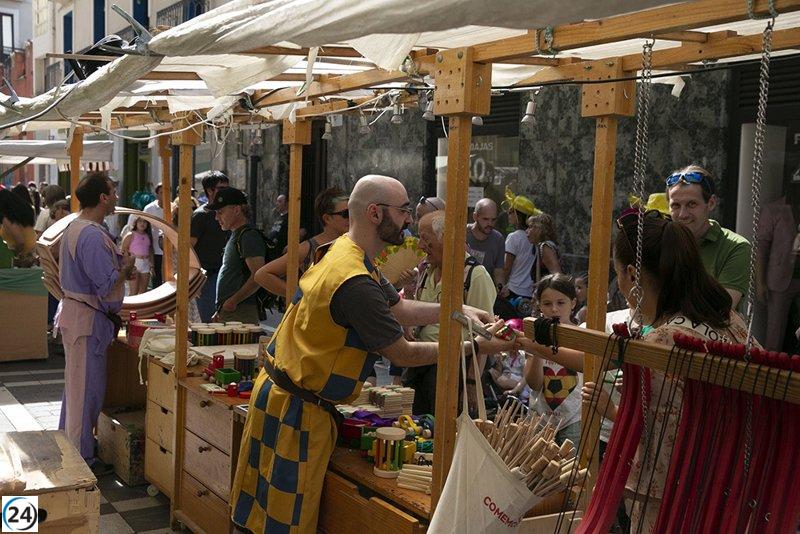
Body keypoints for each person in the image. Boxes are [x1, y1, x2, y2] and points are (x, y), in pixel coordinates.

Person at [230, 175, 514, 533]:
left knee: (262, 510)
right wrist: (474, 347)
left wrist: (459, 310)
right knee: (282, 524)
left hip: (280, 396)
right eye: (405, 211)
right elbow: (403, 353)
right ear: (376, 213)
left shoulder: (345, 252)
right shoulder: (355, 280)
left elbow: (398, 307)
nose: (411, 220)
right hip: (297, 413)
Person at [534, 210, 752, 531]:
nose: (618, 285)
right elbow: (603, 356)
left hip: (675, 498)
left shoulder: (664, 339)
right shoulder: (728, 319)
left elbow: (665, 423)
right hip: (727, 487)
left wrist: (613, 410)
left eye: (617, 273)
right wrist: (530, 342)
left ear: (633, 274)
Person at [55, 173, 135, 467]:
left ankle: (72, 448)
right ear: (102, 197)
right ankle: (79, 458)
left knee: (77, 389)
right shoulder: (89, 234)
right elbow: (105, 285)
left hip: (83, 319)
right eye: (113, 192)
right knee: (84, 394)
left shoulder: (80, 228)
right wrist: (126, 268)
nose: (116, 197)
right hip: (86, 322)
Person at [403, 210, 497, 416]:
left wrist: (472, 383)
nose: (419, 245)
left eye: (425, 239)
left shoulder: (475, 275)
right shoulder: (427, 270)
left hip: (453, 370)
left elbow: (486, 335)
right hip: (420, 364)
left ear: (447, 238)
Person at [666, 164, 750, 307]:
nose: (682, 214)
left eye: (691, 204)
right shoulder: (662, 242)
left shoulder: (735, 247)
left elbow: (720, 309)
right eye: (676, 206)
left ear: (711, 203)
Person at [521, 274, 582, 446]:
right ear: (539, 305)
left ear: (573, 304)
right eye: (547, 304)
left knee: (570, 470)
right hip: (539, 419)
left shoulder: (583, 337)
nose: (554, 309)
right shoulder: (532, 335)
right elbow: (534, 383)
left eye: (560, 303)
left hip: (574, 420)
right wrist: (538, 347)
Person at [254, 187, 349, 298]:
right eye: (346, 214)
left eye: (354, 212)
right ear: (327, 218)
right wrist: (303, 297)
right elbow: (262, 275)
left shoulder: (357, 243)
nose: (351, 217)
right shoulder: (308, 248)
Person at [210, 186, 266, 323]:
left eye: (220, 212)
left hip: (240, 312)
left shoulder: (248, 236)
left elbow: (258, 275)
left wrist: (232, 302)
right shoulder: (237, 234)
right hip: (232, 312)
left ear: (236, 210)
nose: (217, 217)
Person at [756, 179, 800, 351]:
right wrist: (760, 283)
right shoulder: (774, 210)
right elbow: (761, 249)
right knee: (775, 330)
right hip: (780, 279)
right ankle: (769, 369)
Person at [190, 171, 230, 322]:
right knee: (210, 325)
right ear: (210, 191)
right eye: (222, 188)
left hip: (224, 275)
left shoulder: (228, 212)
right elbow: (188, 249)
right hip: (207, 278)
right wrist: (195, 281)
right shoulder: (201, 215)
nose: (226, 192)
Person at [501, 193, 538, 302]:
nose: (508, 213)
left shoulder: (513, 237)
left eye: (511, 211)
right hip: (530, 292)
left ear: (518, 215)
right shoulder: (535, 237)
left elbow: (506, 268)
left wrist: (502, 286)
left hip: (514, 290)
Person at [467, 198, 506, 287]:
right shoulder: (462, 234)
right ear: (475, 216)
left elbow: (498, 271)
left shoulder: (498, 239)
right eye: (485, 219)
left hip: (485, 290)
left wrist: (500, 288)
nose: (490, 224)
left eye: (493, 220)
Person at [121, 217, 154, 295]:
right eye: (140, 221)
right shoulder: (130, 234)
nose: (142, 224)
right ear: (135, 223)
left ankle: (142, 307)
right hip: (134, 263)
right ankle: (131, 307)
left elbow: (150, 251)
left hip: (145, 263)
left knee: (143, 292)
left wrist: (152, 265)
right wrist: (128, 264)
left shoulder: (148, 235)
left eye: (145, 222)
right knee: (134, 291)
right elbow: (123, 249)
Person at [526, 212, 562, 284]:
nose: (526, 231)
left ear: (539, 229)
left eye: (530, 227)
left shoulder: (545, 247)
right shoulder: (539, 247)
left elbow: (557, 276)